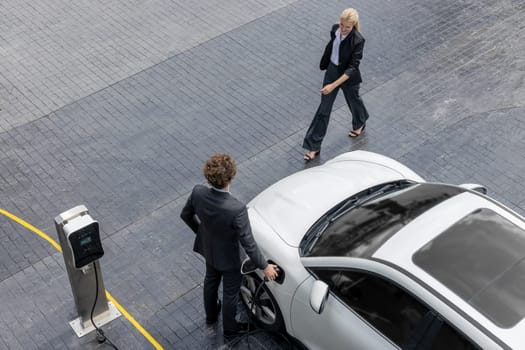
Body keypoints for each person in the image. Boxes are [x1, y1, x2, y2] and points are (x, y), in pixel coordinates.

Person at [180, 153, 278, 339]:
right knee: (230, 294)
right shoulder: (236, 209)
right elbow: (248, 243)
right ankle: (231, 329)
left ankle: (211, 316)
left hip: (209, 250)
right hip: (230, 259)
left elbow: (185, 215)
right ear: (231, 177)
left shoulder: (197, 192)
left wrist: (201, 233)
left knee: (210, 283)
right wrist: (265, 266)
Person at [303, 8, 370, 162]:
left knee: (354, 100)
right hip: (332, 70)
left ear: (353, 25)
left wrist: (333, 85)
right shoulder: (335, 30)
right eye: (342, 25)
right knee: (323, 109)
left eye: (347, 27)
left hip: (348, 76)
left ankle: (360, 121)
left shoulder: (358, 40)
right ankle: (314, 146)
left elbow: (353, 67)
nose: (344, 29)